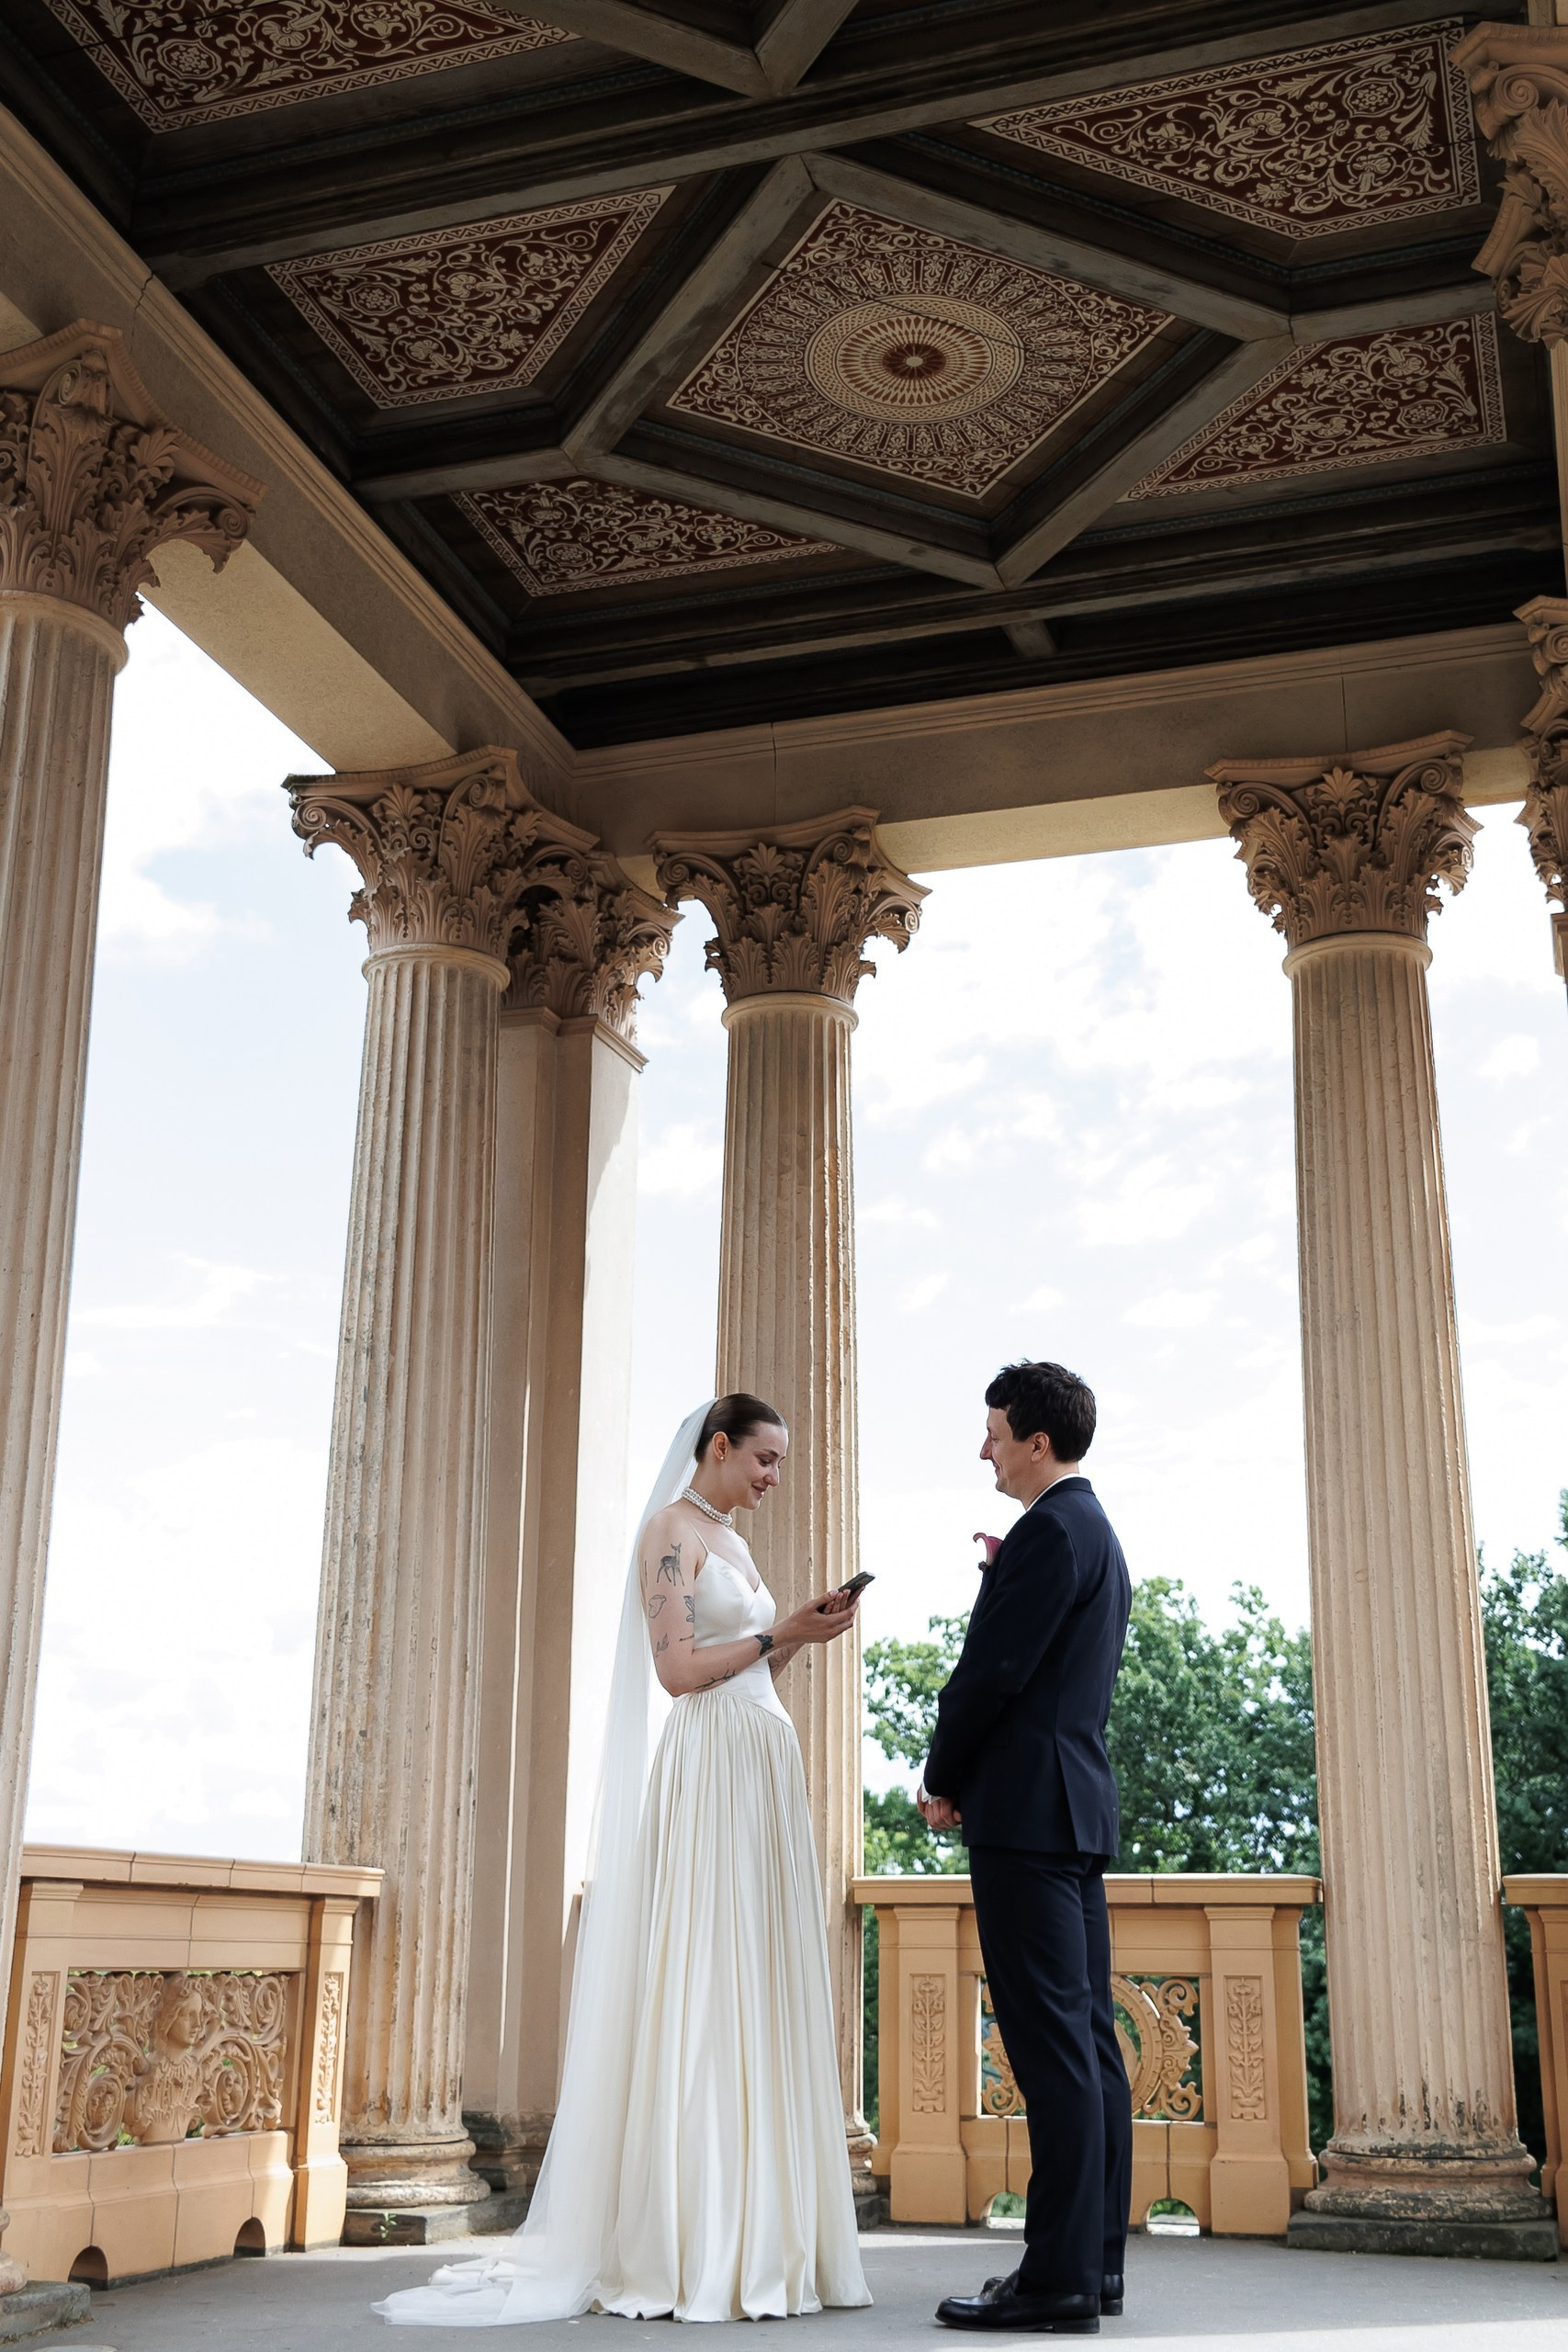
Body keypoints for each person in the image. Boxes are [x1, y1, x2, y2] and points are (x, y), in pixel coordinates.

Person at [376, 1394, 872, 2327]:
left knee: (757, 1981)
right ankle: (697, 2235)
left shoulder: (732, 1541)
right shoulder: (669, 1534)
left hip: (761, 1759)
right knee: (708, 1977)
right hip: (713, 1766)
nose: (773, 1478)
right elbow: (679, 1671)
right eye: (765, 1459)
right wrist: (780, 1633)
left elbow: (750, 1667)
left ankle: (768, 2229)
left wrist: (798, 1636)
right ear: (718, 1446)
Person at [919, 1361, 1132, 2337]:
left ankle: (1055, 2281)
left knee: (1054, 2056)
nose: (985, 1449)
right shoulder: (1098, 1531)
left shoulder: (1049, 1530)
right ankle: (1095, 2266)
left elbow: (992, 1674)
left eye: (995, 1431)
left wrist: (942, 1774)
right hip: (1074, 1812)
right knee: (1089, 2050)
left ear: (1037, 1440)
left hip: (1026, 1818)